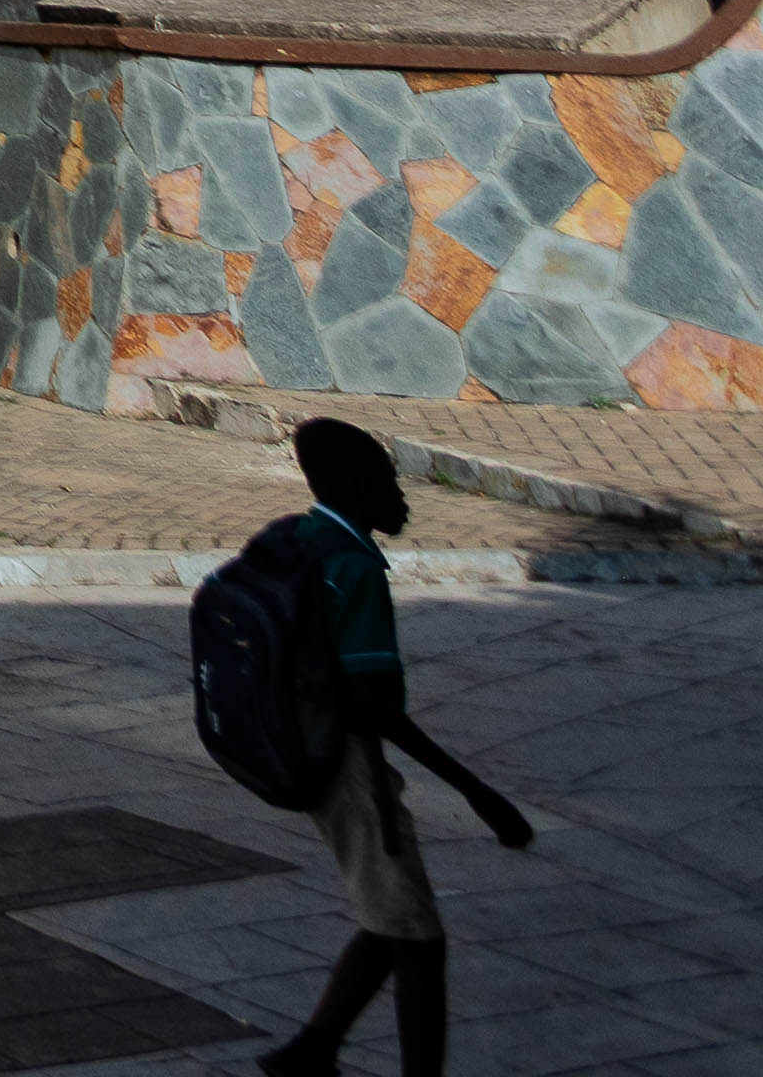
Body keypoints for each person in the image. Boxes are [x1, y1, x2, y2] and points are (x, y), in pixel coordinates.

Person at [262, 417, 531, 1077]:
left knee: (391, 919)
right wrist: (477, 791)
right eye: (387, 480)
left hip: (306, 749)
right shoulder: (353, 565)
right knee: (419, 938)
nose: (403, 495)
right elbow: (373, 707)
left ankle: (313, 1049)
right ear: (355, 487)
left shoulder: (305, 539)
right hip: (350, 769)